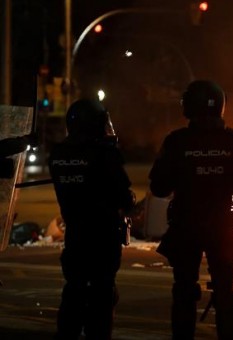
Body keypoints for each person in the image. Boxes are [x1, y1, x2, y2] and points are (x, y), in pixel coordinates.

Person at [150, 80, 233, 339]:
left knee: (184, 291)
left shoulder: (177, 142)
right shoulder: (232, 142)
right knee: (225, 294)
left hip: (186, 226)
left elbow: (159, 188)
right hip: (222, 228)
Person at [49, 98, 136, 339]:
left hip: (75, 235)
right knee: (102, 294)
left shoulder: (58, 154)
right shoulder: (105, 154)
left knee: (74, 291)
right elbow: (123, 196)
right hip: (103, 236)